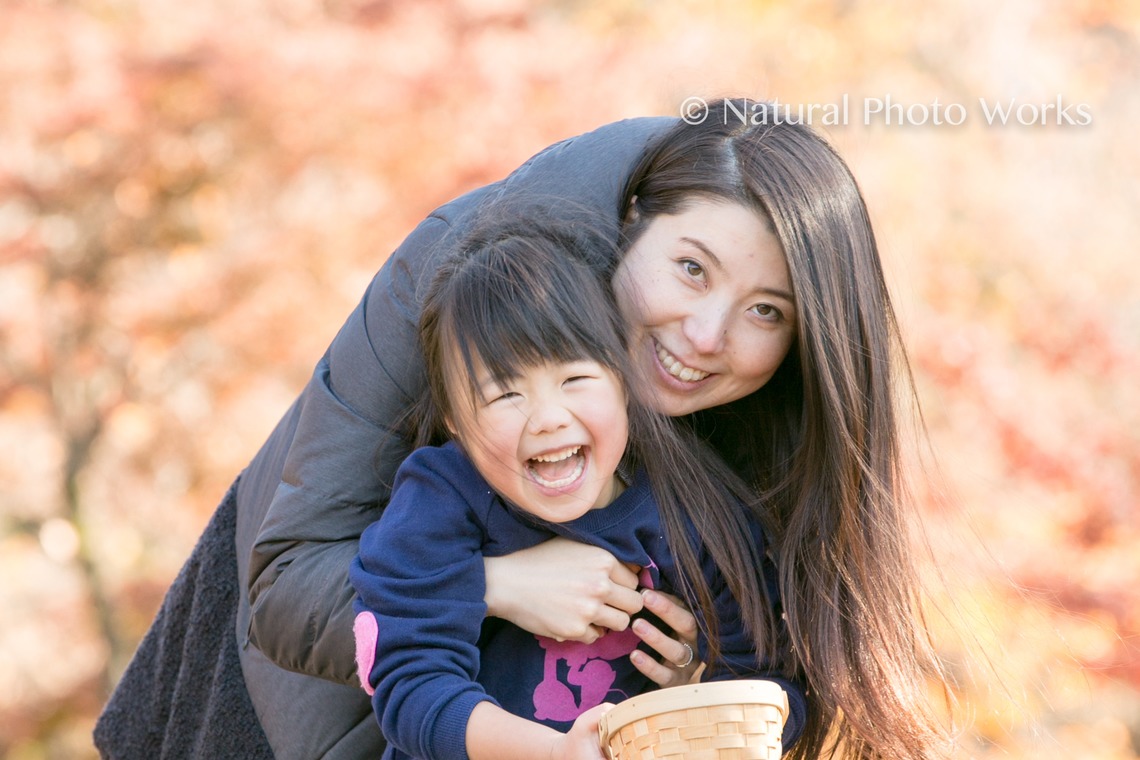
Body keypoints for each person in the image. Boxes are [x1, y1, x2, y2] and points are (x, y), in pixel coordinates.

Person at [97, 97, 954, 760]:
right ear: (629, 228)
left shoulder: (735, 459)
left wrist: (694, 681)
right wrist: (498, 586)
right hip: (271, 676)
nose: (706, 335)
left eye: (766, 312)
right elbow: (284, 587)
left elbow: (772, 663)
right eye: (691, 269)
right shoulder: (461, 276)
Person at [349, 219, 805, 760]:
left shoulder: (696, 512)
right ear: (453, 416)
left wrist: (701, 701)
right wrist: (554, 753)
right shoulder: (441, 497)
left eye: (575, 380)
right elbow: (411, 685)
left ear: (624, 379)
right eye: (503, 394)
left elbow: (771, 685)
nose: (547, 418)